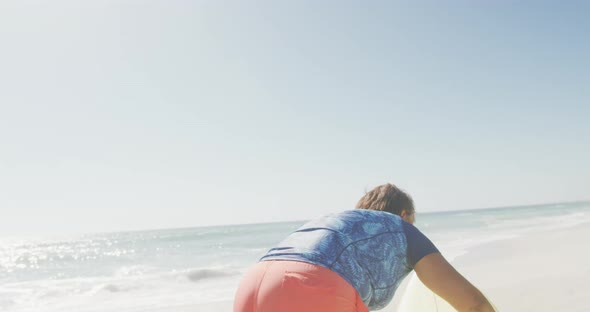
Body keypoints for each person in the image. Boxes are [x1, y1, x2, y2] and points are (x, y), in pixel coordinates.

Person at [234, 183, 495, 312]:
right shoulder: (401, 227)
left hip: (252, 285)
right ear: (405, 214)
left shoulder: (340, 223)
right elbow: (473, 303)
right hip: (313, 284)